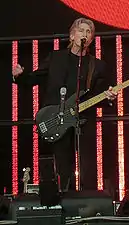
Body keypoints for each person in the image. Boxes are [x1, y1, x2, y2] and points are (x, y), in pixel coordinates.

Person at [12, 17, 116, 191]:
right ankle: (63, 201)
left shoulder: (97, 66)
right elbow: (34, 79)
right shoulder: (56, 58)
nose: (85, 34)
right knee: (62, 167)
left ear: (91, 39)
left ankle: (86, 204)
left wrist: (109, 98)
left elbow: (100, 97)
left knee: (87, 166)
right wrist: (20, 76)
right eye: (81, 30)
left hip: (83, 121)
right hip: (57, 120)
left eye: (89, 31)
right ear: (71, 36)